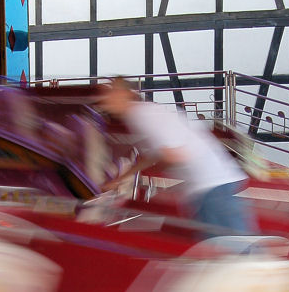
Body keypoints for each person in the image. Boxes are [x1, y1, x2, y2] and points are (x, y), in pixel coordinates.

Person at [98, 77, 256, 235]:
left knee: (231, 249)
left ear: (124, 94)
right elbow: (154, 155)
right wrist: (120, 179)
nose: (104, 100)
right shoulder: (139, 115)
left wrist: (160, 171)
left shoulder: (143, 115)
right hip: (209, 185)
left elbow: (174, 154)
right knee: (222, 247)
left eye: (109, 93)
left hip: (210, 185)